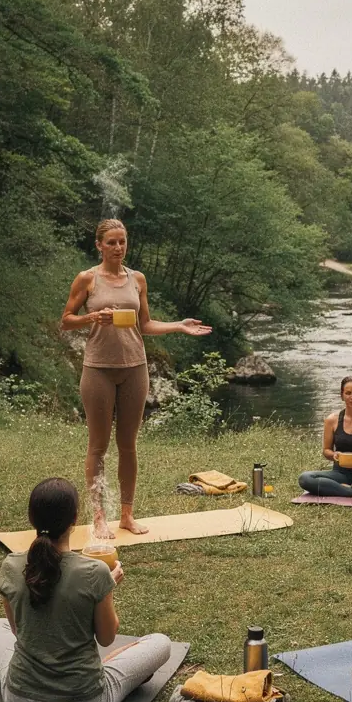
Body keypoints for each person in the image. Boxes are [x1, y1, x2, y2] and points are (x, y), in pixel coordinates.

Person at [60, 218, 211, 538]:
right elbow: (66, 321)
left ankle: (127, 515)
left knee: (128, 445)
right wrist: (91, 316)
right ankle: (99, 517)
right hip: (98, 368)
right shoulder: (86, 279)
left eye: (122, 242)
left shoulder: (138, 279)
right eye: (111, 242)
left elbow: (144, 324)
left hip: (134, 367)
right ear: (99, 245)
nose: (118, 247)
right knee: (98, 446)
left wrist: (178, 325)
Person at [0, 477, 172, 702]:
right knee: (161, 643)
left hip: (20, 698)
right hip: (85, 701)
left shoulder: (11, 565)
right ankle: (112, 666)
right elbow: (106, 638)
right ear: (74, 519)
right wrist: (106, 588)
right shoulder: (95, 573)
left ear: (32, 518)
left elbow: (17, 631)